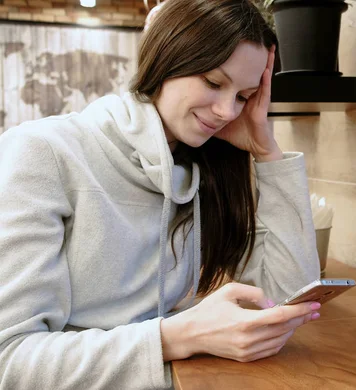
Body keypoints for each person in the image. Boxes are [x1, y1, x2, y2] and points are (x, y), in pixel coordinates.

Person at [0, 0, 322, 388]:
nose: (226, 111)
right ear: (166, 59)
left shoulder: (198, 166)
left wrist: (268, 154)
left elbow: (284, 303)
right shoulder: (41, 152)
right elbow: (10, 360)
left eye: (243, 96)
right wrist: (178, 336)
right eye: (214, 82)